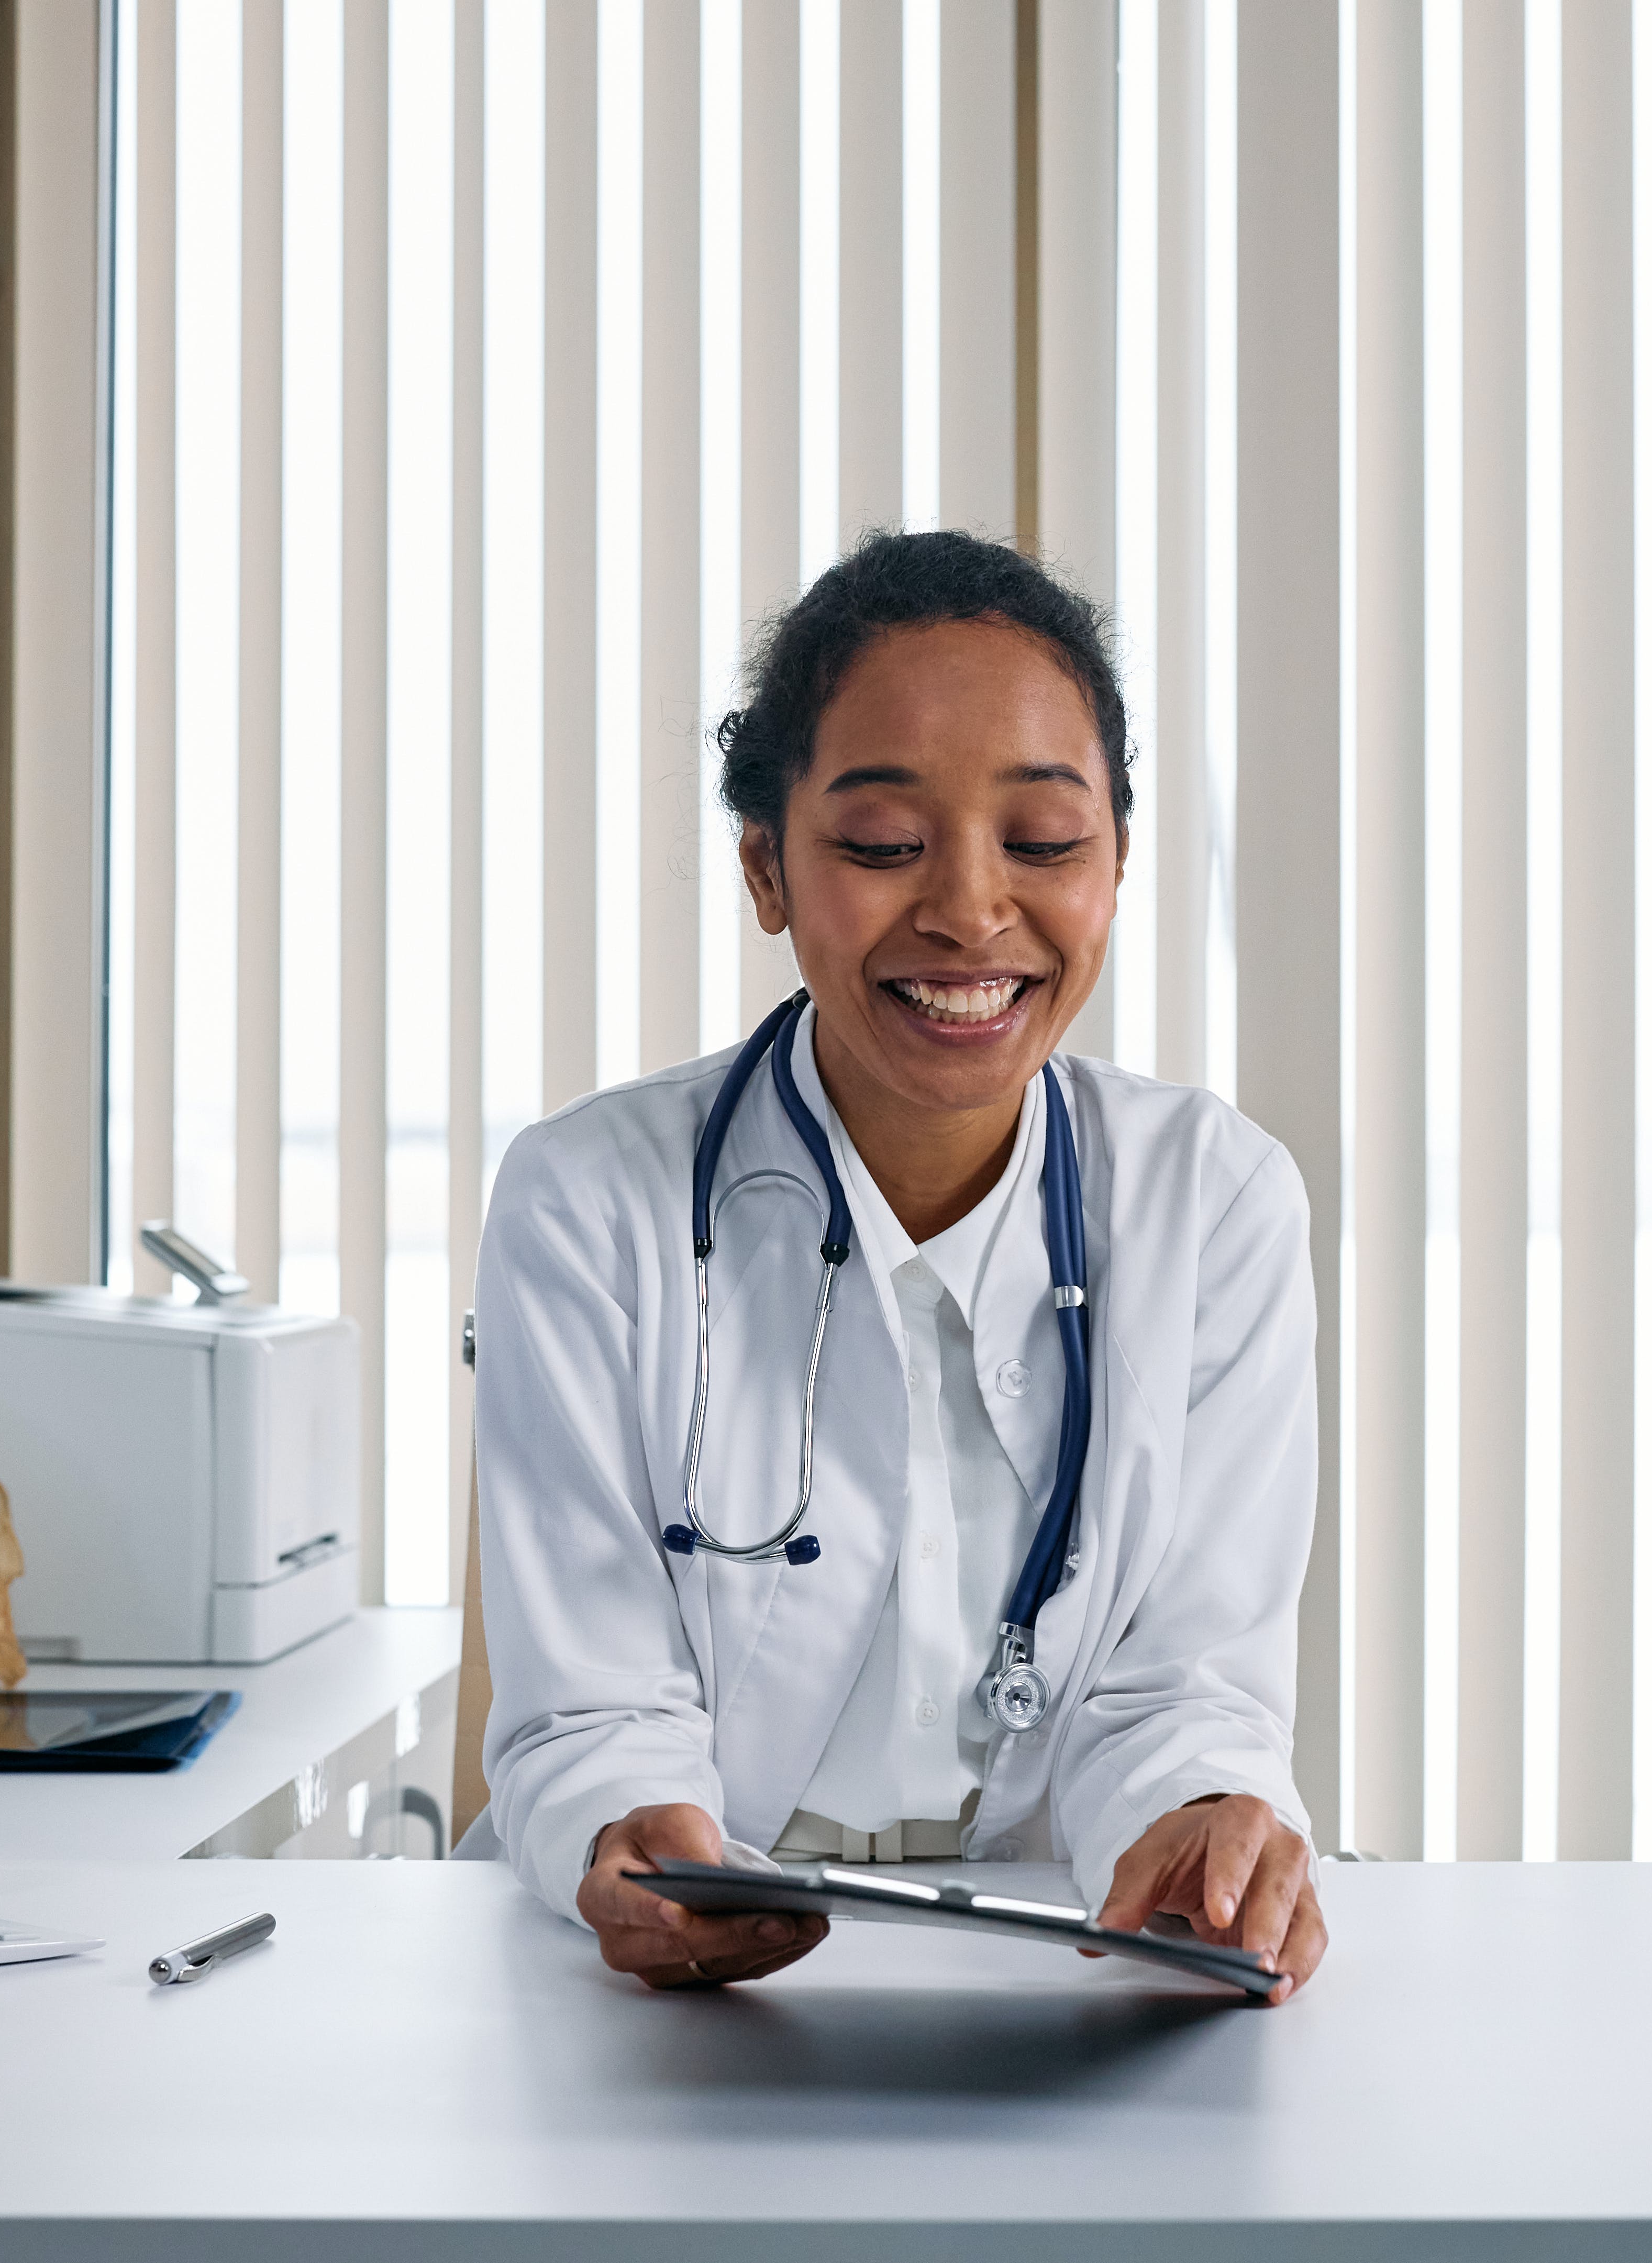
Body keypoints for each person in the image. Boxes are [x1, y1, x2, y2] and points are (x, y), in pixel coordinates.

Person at [469, 529, 1327, 1999]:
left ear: (1115, 865)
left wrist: (1201, 1824)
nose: (969, 910)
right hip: (665, 2000)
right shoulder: (586, 1200)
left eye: (1045, 842)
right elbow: (591, 1705)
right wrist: (637, 1839)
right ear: (767, 866)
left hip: (1067, 1969)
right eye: (879, 845)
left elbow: (1185, 1684)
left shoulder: (1214, 1199)